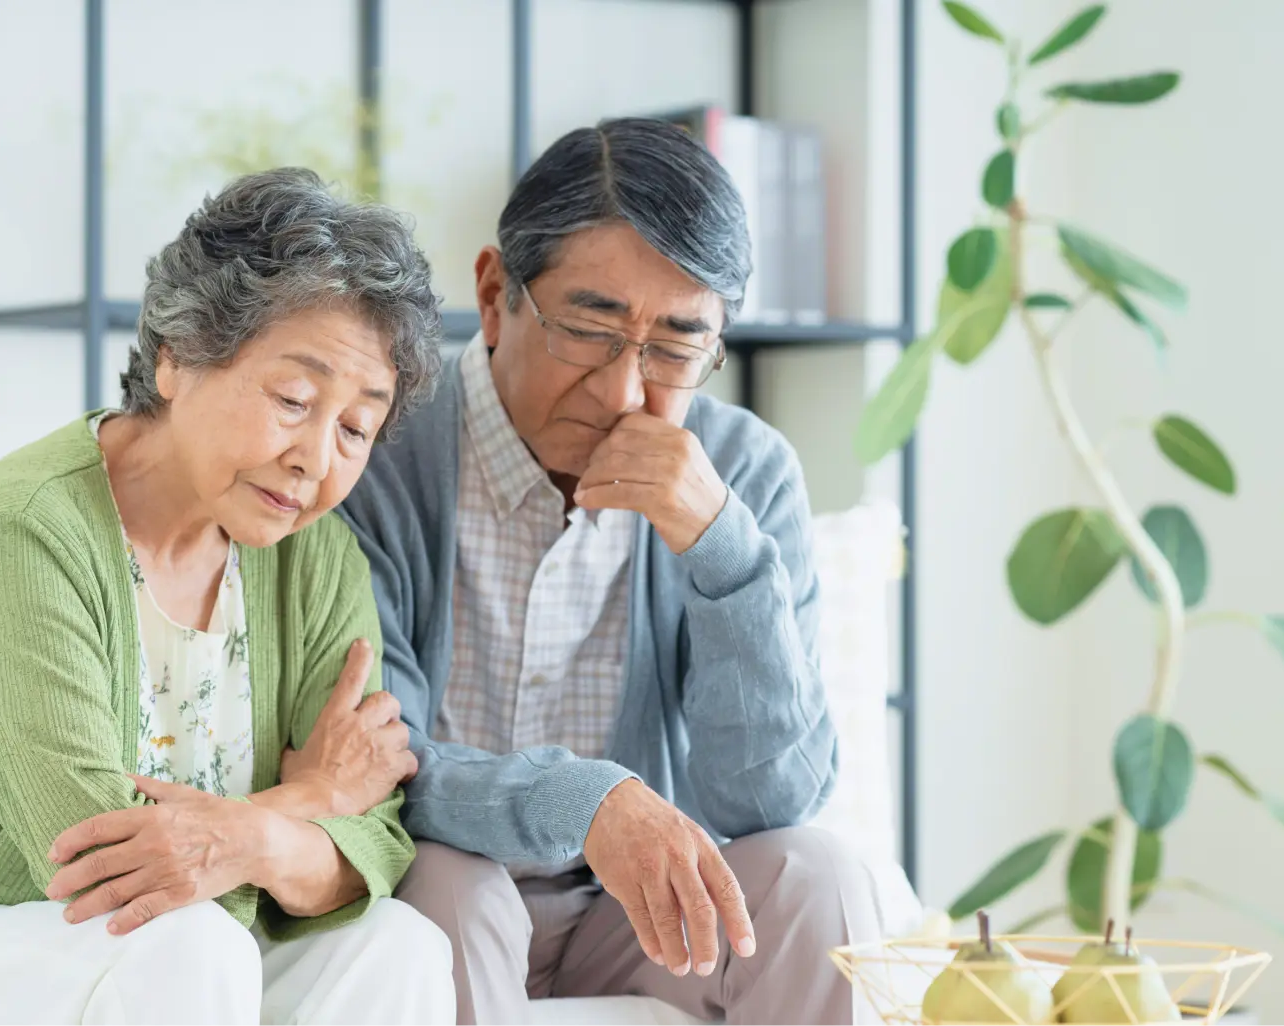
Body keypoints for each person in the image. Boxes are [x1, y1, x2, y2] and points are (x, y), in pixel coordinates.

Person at [0, 168, 456, 1026]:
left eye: (355, 428)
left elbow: (373, 844)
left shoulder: (315, 555)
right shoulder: (25, 534)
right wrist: (307, 802)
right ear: (178, 356)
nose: (317, 459)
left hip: (168, 953)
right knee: (186, 942)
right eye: (294, 400)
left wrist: (273, 834)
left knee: (400, 945)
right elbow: (101, 859)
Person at [336, 117, 880, 1026]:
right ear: (495, 291)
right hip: (441, 890)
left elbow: (772, 799)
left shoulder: (742, 473)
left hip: (635, 919)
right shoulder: (376, 454)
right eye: (590, 327)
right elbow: (375, 766)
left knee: (819, 878)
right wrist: (582, 799)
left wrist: (719, 549)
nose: (625, 392)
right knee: (449, 884)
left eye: (675, 347)